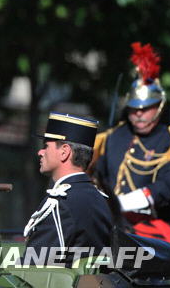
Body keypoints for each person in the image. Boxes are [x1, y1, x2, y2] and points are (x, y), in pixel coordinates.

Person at [93, 42, 170, 245]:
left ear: (159, 106)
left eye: (146, 108)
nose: (139, 114)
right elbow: (99, 176)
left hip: (156, 228)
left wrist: (125, 202)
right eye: (134, 109)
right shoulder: (112, 137)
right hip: (114, 224)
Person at [24, 113, 112, 266]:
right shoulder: (98, 198)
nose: (40, 152)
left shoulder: (62, 203)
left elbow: (34, 267)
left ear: (64, 152)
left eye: (46, 146)